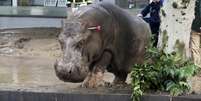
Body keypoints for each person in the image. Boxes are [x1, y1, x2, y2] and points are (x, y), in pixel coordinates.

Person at [190, 0, 201, 68]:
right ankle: (197, 65)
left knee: (195, 48)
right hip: (196, 28)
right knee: (195, 48)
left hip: (196, 28)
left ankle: (197, 66)